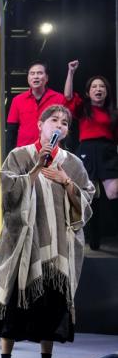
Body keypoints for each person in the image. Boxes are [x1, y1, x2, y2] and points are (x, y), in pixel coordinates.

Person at [0, 105, 94, 358]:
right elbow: (9, 194)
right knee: (13, 303)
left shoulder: (72, 163)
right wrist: (37, 167)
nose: (58, 125)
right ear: (40, 124)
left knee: (51, 305)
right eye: (53, 120)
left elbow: (87, 199)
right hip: (23, 244)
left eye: (64, 122)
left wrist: (67, 182)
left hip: (57, 246)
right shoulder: (19, 155)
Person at [63, 62, 118, 250]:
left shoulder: (113, 113)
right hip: (87, 150)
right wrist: (71, 72)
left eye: (102, 87)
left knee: (113, 192)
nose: (98, 89)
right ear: (88, 92)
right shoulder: (83, 109)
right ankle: (93, 239)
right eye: (94, 87)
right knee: (90, 197)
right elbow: (68, 96)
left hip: (108, 151)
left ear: (106, 92)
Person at [6, 60, 73, 150]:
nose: (36, 76)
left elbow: (65, 127)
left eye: (39, 73)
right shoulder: (17, 100)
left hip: (51, 150)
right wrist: (10, 152)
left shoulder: (59, 99)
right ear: (28, 77)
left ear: (47, 78)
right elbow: (11, 131)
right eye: (32, 73)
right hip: (25, 150)